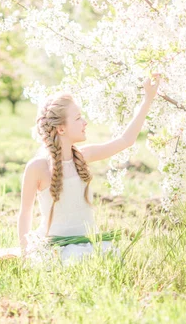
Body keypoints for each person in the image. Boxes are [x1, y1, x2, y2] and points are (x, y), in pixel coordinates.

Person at [17, 73, 161, 263]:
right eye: (78, 118)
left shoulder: (84, 156)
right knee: (74, 261)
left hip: (88, 242)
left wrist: (147, 100)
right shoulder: (38, 167)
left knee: (108, 257)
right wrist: (25, 252)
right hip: (55, 246)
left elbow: (126, 140)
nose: (85, 122)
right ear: (61, 128)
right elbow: (25, 212)